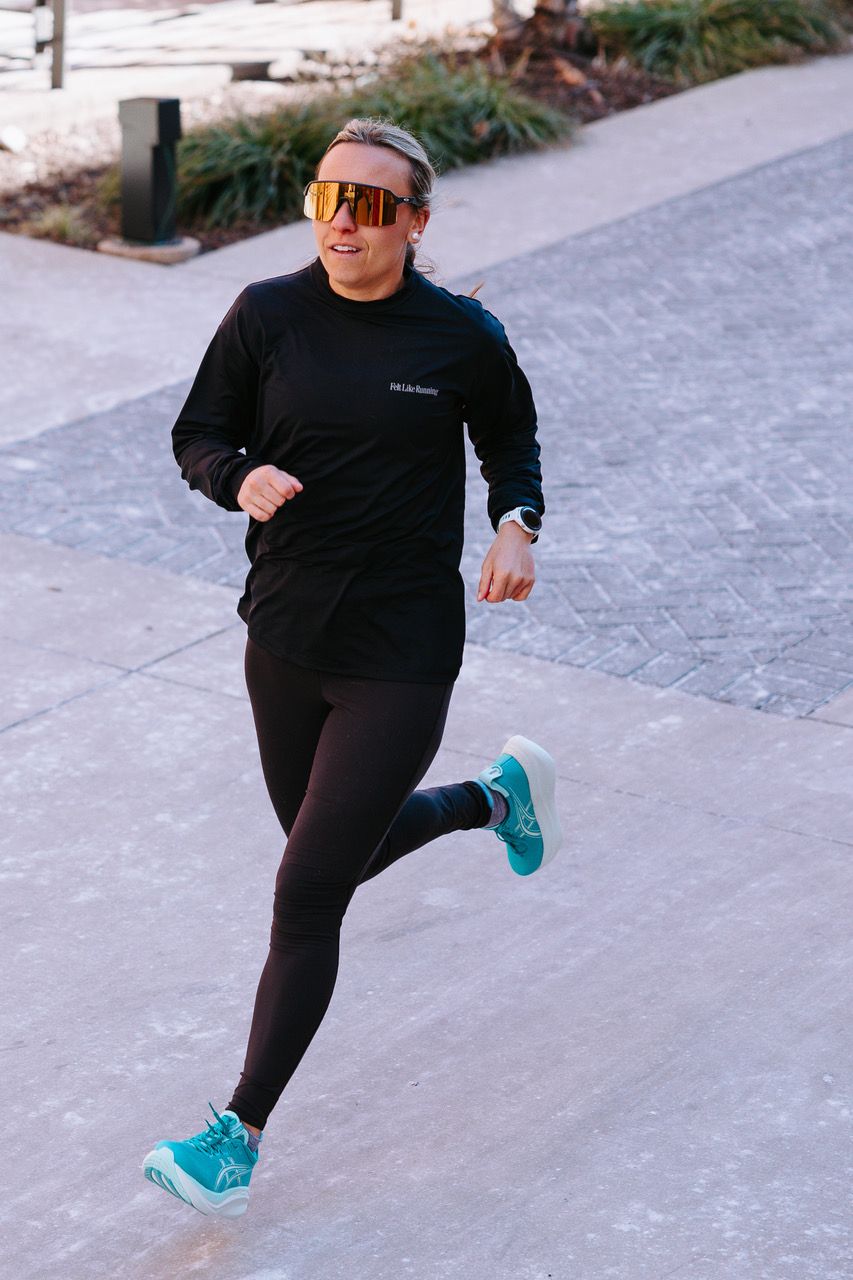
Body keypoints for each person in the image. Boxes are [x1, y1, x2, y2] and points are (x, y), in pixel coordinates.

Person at [142, 116, 562, 1218]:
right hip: (283, 634)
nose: (343, 221)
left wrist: (515, 522)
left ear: (415, 223)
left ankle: (234, 1134)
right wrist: (236, 478)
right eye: (327, 197)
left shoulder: (460, 336)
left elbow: (510, 439)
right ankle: (491, 797)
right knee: (334, 849)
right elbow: (197, 431)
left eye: (369, 204)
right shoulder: (265, 313)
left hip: (401, 651)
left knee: (307, 889)